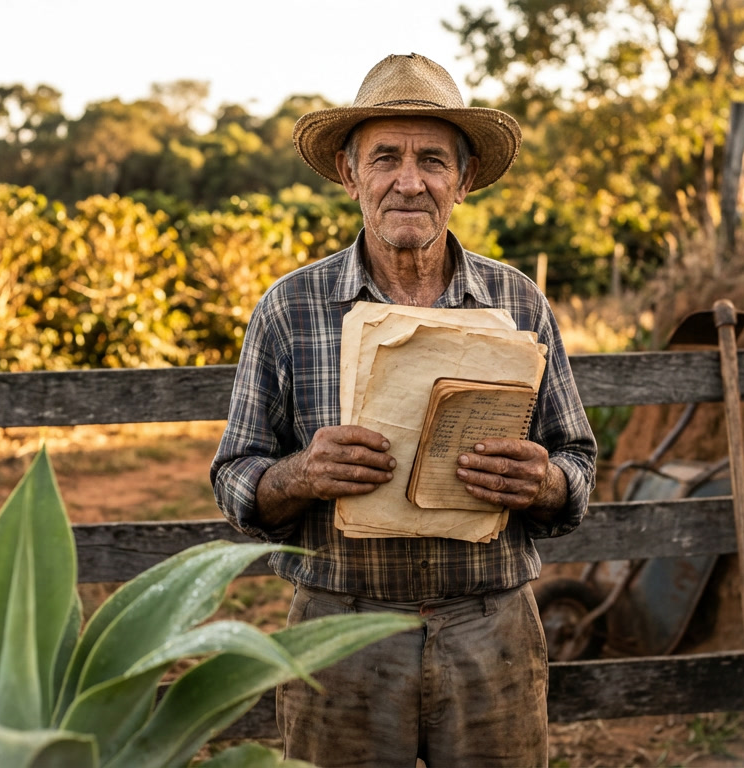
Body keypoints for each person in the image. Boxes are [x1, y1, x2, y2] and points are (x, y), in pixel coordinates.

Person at [211, 53, 596, 767]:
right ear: (350, 173)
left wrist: (541, 480)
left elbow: (577, 465)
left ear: (464, 180)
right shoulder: (290, 308)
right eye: (385, 157)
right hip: (339, 633)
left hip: (491, 628)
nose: (409, 181)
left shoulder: (518, 302)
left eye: (433, 161)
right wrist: (301, 475)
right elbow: (235, 478)